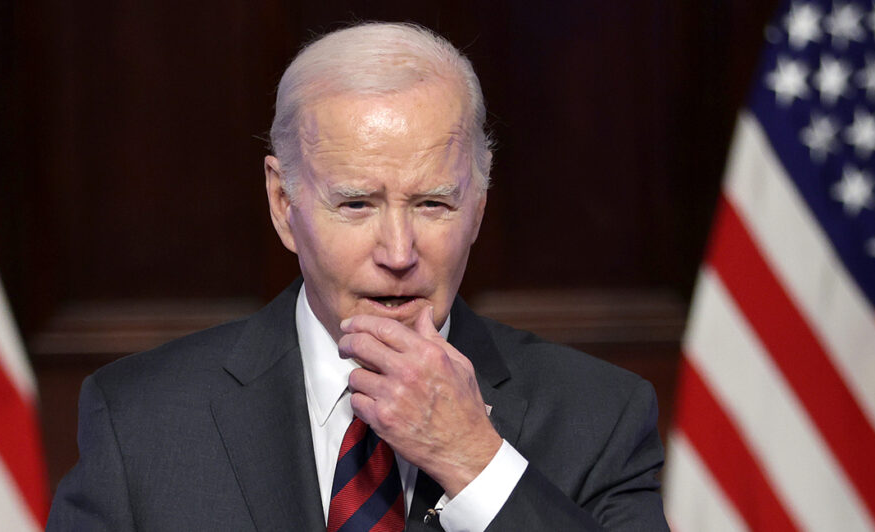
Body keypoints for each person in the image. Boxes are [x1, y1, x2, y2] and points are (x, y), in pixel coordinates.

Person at [46, 22, 669, 531]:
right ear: (283, 204)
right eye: (356, 204)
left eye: (433, 204)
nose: (398, 252)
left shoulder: (601, 415)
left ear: (477, 207)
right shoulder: (141, 419)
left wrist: (474, 460)